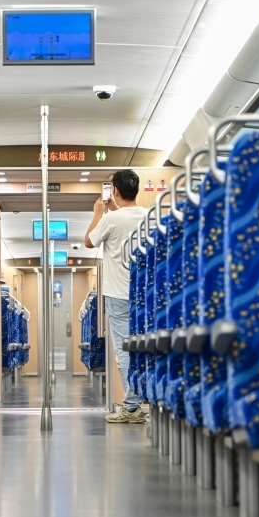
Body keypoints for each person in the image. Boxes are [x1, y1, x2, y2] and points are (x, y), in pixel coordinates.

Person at [84, 170, 148, 423]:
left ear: (116, 191)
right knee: (148, 346)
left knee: (125, 351)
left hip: (119, 294)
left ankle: (131, 407)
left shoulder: (111, 219)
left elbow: (89, 241)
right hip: (147, 295)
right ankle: (147, 398)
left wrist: (99, 212)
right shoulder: (151, 217)